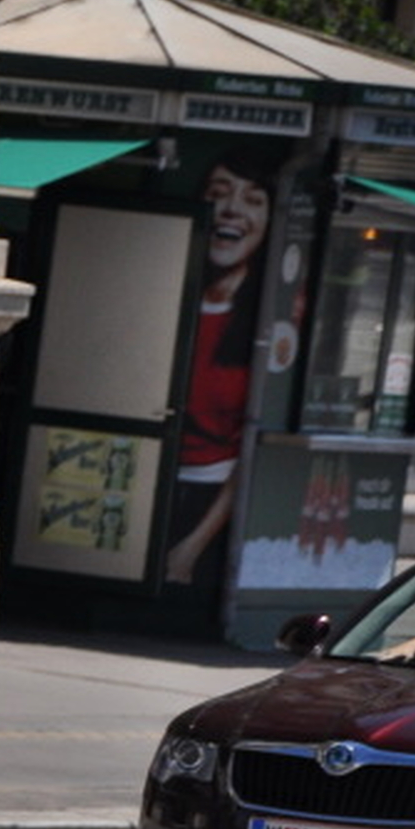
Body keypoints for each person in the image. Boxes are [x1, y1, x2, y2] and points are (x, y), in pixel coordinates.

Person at [165, 149, 275, 588]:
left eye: (253, 199)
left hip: (210, 506)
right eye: (219, 193)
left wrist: (191, 547)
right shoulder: (170, 293)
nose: (232, 209)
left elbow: (251, 447)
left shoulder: (273, 318)